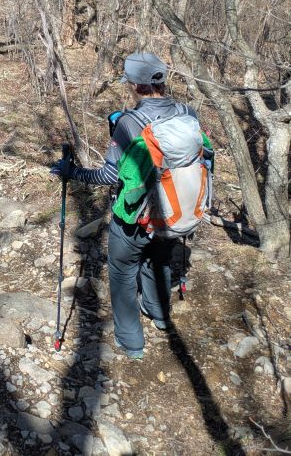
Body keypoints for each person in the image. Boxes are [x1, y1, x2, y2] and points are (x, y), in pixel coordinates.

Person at [51, 51, 211, 360]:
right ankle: (160, 315)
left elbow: (110, 175)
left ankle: (131, 341)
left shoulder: (129, 122)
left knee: (123, 271)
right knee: (160, 260)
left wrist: (72, 172)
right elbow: (205, 155)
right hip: (175, 213)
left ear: (136, 86)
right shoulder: (188, 113)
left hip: (135, 218)